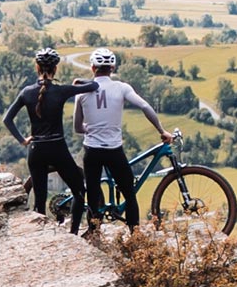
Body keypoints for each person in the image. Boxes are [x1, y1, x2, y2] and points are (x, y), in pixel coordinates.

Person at [71, 47, 174, 234]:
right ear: (113, 67)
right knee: (129, 193)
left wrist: (93, 127)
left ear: (93, 68)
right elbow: (144, 106)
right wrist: (162, 130)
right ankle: (135, 236)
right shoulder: (121, 88)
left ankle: (94, 235)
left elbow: (77, 128)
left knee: (93, 195)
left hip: (92, 150)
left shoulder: (81, 93)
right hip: (114, 150)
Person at [2, 48, 98, 227]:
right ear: (55, 69)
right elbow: (94, 86)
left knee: (40, 200)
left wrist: (23, 140)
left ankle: (41, 236)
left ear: (37, 67)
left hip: (36, 149)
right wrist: (78, 82)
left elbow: (7, 119)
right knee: (78, 191)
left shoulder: (26, 92)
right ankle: (74, 233)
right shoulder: (61, 91)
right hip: (57, 148)